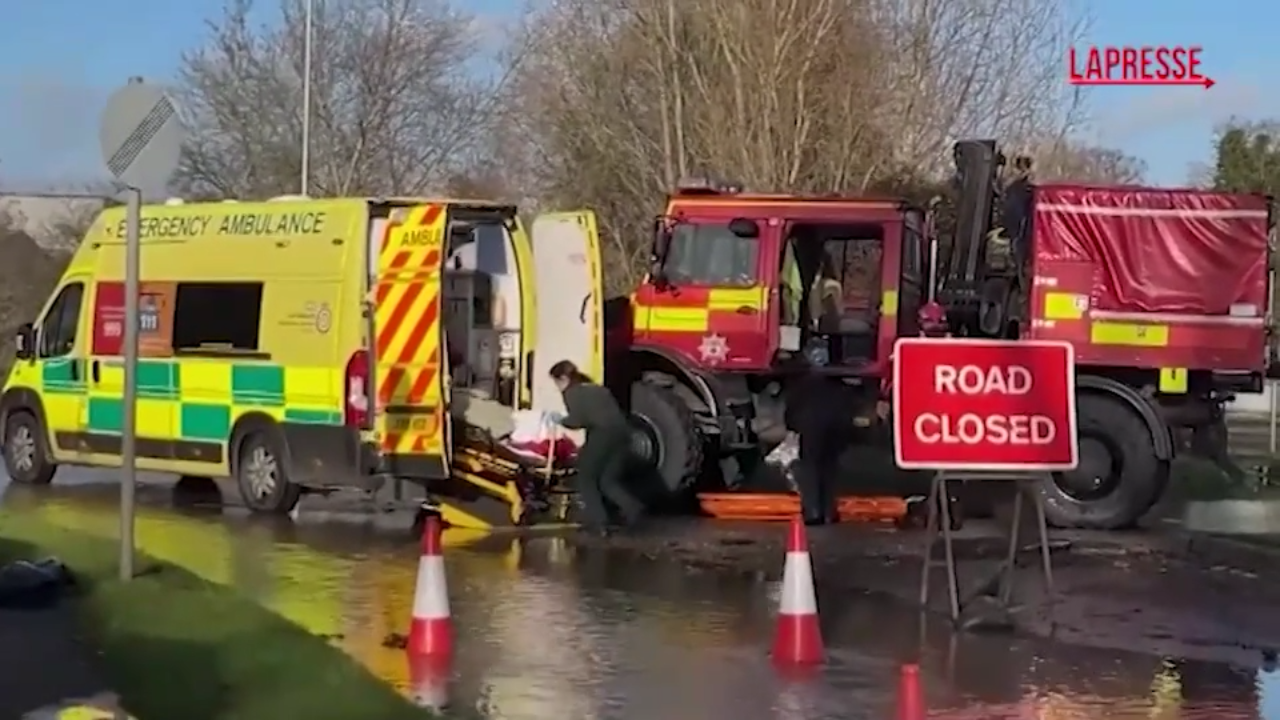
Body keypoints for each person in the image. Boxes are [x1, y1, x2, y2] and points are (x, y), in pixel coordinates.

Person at [549, 360, 645, 535]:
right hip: (623, 434)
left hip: (602, 435)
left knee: (586, 477)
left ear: (563, 378)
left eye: (556, 382)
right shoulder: (597, 388)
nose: (557, 387)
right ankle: (633, 509)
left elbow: (578, 420)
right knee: (607, 480)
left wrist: (560, 420)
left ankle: (598, 523)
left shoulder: (572, 393)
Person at [783, 372, 858, 526]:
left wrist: (793, 426)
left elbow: (792, 408)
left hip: (811, 427)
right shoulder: (841, 385)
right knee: (830, 467)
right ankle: (829, 511)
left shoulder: (803, 382)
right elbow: (849, 409)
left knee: (810, 467)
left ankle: (813, 511)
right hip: (836, 427)